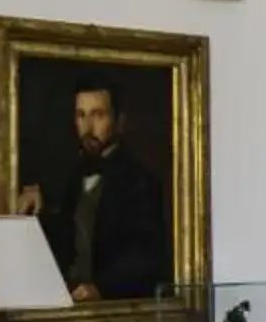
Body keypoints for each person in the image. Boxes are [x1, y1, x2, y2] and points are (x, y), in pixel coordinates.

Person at [15, 78, 168, 301]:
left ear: (119, 122)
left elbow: (144, 257)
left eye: (98, 115)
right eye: (81, 115)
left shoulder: (141, 182)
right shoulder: (64, 175)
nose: (87, 127)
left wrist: (100, 288)